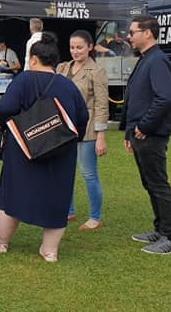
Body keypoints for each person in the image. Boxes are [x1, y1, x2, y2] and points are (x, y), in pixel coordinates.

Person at [0, 32, 89, 262]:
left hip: (23, 148)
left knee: (12, 196)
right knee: (57, 199)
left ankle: (2, 243)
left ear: (33, 59)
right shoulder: (67, 85)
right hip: (61, 149)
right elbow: (83, 116)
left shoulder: (24, 80)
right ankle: (50, 250)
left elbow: (5, 108)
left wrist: (9, 125)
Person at [122, 15, 171, 255]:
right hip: (140, 134)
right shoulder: (146, 59)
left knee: (158, 184)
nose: (129, 36)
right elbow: (137, 97)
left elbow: (165, 99)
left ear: (148, 33)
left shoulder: (157, 60)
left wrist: (144, 127)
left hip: (151, 135)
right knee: (150, 183)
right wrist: (129, 131)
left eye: (133, 32)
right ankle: (160, 229)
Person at [57, 30, 109, 230]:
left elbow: (102, 105)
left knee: (88, 173)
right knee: (66, 171)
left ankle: (95, 217)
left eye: (79, 47)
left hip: (87, 128)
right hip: (65, 128)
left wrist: (101, 136)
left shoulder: (96, 72)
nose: (75, 51)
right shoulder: (63, 68)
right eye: (72, 47)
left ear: (90, 47)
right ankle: (68, 211)